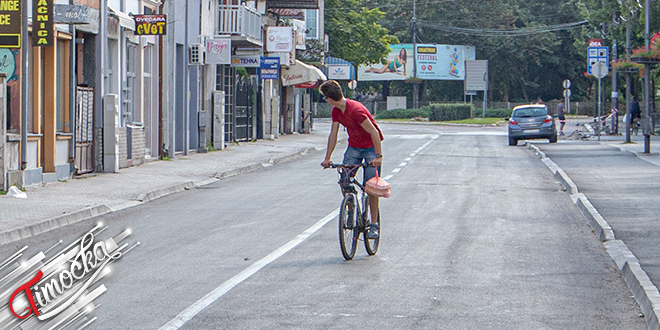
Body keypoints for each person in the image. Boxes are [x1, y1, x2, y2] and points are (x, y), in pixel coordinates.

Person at [320, 80, 384, 239]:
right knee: (345, 179)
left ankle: (374, 224)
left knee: (371, 186)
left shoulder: (356, 110)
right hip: (354, 147)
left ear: (329, 99)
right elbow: (333, 135)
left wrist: (378, 156)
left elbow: (374, 133)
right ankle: (350, 208)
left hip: (370, 147)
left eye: (325, 98)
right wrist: (327, 158)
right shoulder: (336, 111)